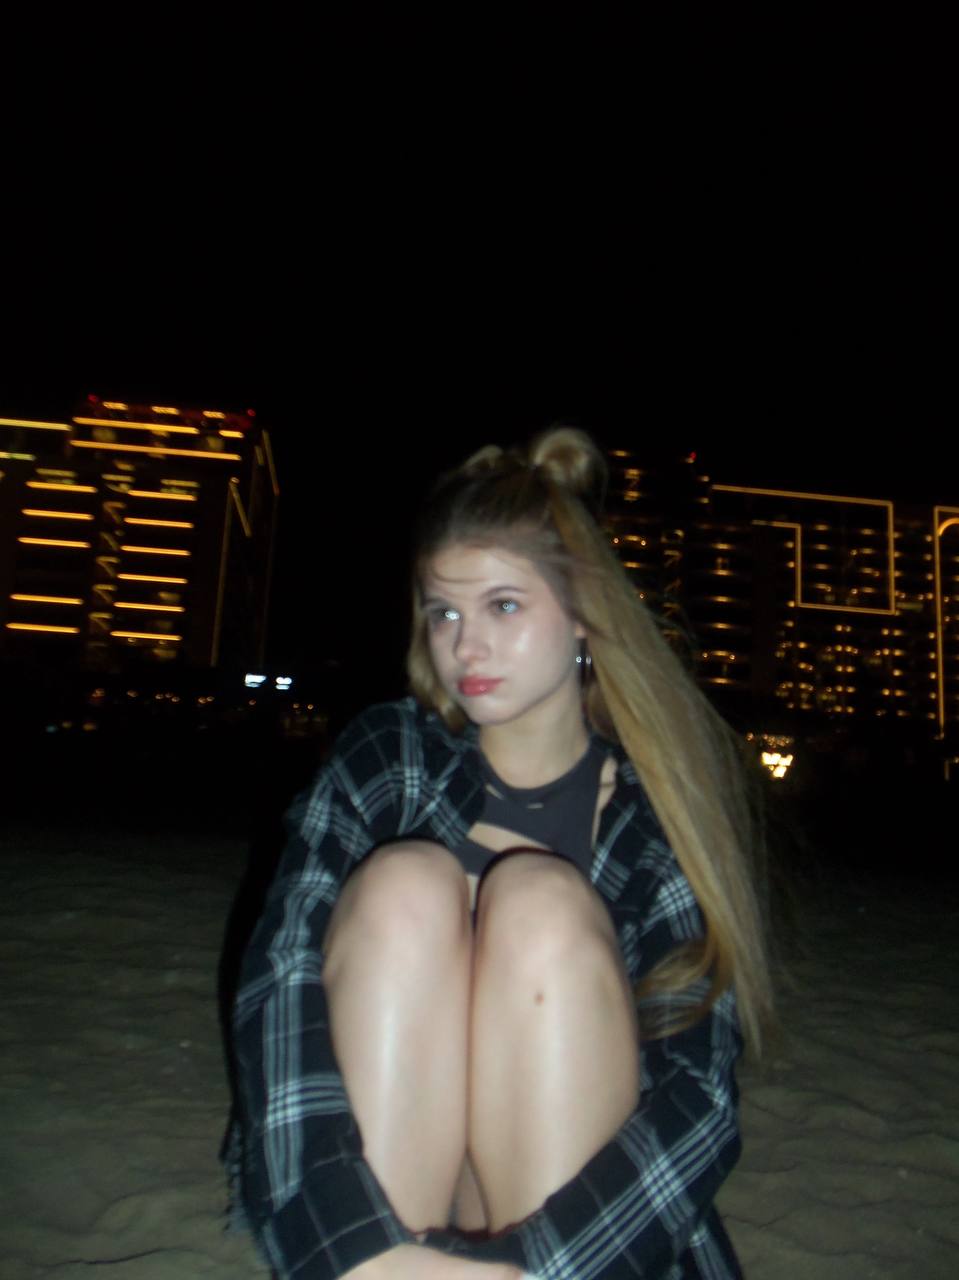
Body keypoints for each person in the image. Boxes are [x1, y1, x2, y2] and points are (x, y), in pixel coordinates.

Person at [229, 427, 775, 1279]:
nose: (465, 646)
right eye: (443, 611)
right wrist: (349, 1248)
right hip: (376, 1202)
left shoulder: (652, 811)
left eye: (503, 606)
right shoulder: (390, 755)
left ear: (584, 613)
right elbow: (281, 970)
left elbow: (696, 1090)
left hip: (565, 1228)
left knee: (539, 905)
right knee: (407, 882)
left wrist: (538, 1270)